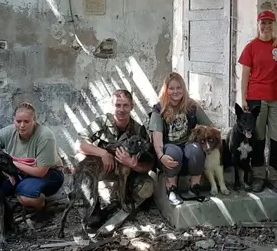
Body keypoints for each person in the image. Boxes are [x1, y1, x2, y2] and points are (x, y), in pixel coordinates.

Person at [0, 102, 65, 220]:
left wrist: (13, 163)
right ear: (14, 120)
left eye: (26, 121)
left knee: (25, 195)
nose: (22, 125)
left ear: (34, 120)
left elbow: (40, 172)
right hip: (20, 172)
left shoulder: (45, 136)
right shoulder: (8, 132)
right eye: (18, 121)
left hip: (50, 173)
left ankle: (42, 207)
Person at [238, 10, 277, 194]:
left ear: (274, 25)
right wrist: (243, 98)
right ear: (258, 25)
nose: (266, 26)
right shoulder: (251, 47)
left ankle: (275, 177)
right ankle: (258, 176)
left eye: (269, 23)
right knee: (257, 138)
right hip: (255, 98)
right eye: (263, 23)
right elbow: (245, 74)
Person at [78, 89, 156, 230]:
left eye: (125, 105)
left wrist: (133, 164)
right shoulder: (102, 122)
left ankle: (122, 197)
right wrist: (103, 153)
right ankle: (93, 210)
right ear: (112, 106)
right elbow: (80, 144)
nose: (121, 109)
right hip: (105, 167)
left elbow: (149, 163)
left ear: (132, 106)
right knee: (84, 165)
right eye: (117, 105)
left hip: (127, 171)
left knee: (147, 188)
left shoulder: (138, 130)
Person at [149, 72, 215, 206]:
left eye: (179, 88)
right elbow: (157, 137)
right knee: (173, 152)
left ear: (183, 89)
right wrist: (161, 156)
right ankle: (171, 188)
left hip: (188, 144)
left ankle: (195, 186)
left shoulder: (191, 106)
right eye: (172, 88)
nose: (176, 91)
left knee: (197, 149)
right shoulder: (159, 109)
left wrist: (207, 138)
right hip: (168, 146)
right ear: (166, 90)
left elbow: (210, 126)